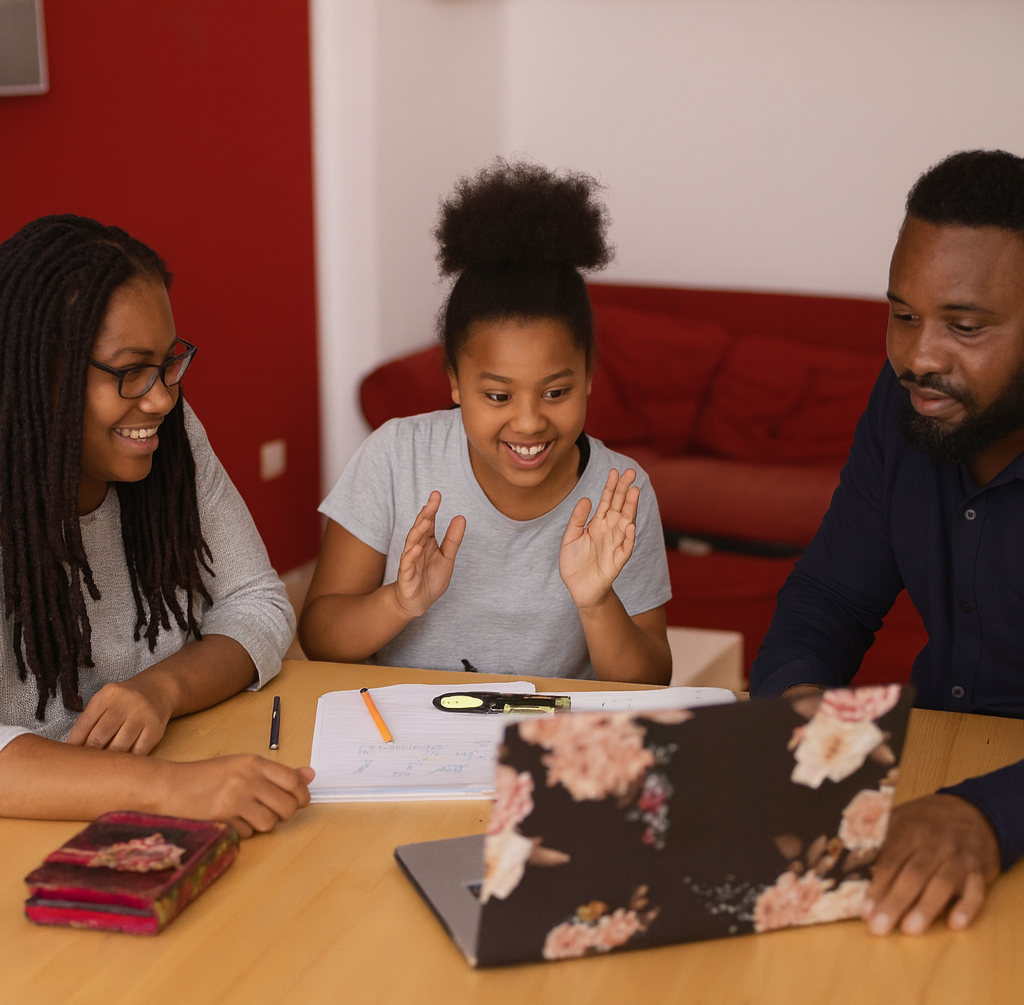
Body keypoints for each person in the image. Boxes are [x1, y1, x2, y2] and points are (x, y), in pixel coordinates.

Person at [750, 150, 1024, 935]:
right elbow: (833, 594)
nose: (918, 357)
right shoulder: (908, 402)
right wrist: (792, 711)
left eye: (965, 326)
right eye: (902, 314)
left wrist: (985, 814)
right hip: (931, 778)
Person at [0, 214, 313, 837]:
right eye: (129, 371)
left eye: (168, 362)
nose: (164, 399)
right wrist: (170, 789)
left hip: (173, 777)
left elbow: (258, 602)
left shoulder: (169, 436)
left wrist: (160, 689)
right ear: (42, 375)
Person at [300, 161, 672, 683]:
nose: (528, 421)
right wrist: (399, 603)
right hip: (408, 740)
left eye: (556, 391)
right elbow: (319, 638)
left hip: (549, 739)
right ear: (454, 381)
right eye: (498, 394)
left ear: (589, 377)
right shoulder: (395, 457)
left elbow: (650, 681)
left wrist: (596, 602)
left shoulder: (621, 492)